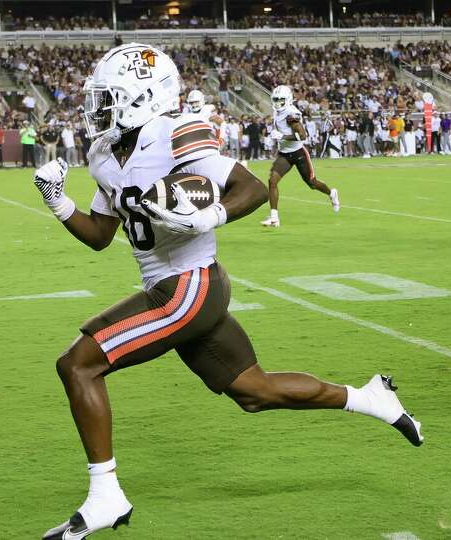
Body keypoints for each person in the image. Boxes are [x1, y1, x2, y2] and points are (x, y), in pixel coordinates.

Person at [33, 43, 423, 540]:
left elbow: (251, 189)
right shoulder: (106, 153)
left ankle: (106, 495)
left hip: (189, 285)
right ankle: (371, 399)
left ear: (145, 97)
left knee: (78, 363)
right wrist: (58, 200)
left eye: (110, 98)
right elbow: (101, 236)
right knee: (253, 391)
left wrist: (208, 214)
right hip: (174, 288)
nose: (99, 109)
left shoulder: (174, 133)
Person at [259, 85, 340, 228]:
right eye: (276, 99)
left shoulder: (291, 114)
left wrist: (282, 136)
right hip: (284, 154)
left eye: (281, 99)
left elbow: (302, 136)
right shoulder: (277, 111)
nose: (277, 102)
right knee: (272, 181)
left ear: (288, 99)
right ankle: (274, 218)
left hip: (298, 153)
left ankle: (331, 193)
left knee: (312, 183)